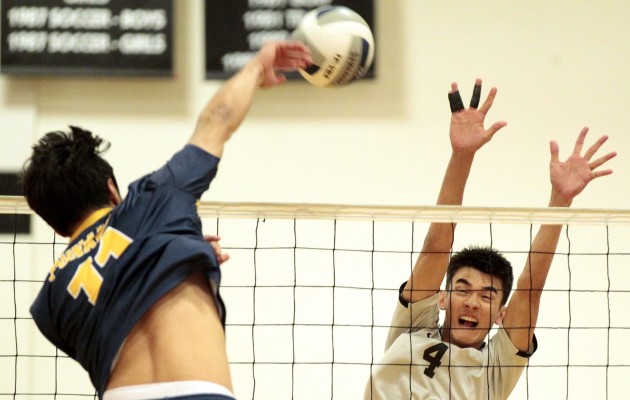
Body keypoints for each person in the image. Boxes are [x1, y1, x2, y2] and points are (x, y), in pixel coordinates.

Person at [21, 41, 312, 400]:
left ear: (54, 225)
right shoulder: (153, 199)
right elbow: (216, 120)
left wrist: (178, 250)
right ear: (113, 190)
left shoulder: (49, 302)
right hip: (197, 393)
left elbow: (114, 307)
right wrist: (254, 66)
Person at [364, 80, 616, 400]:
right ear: (442, 298)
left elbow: (529, 291)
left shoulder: (495, 368)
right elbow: (435, 246)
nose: (471, 302)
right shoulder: (412, 329)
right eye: (463, 289)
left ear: (501, 315)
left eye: (487, 296)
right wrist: (462, 155)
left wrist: (560, 202)